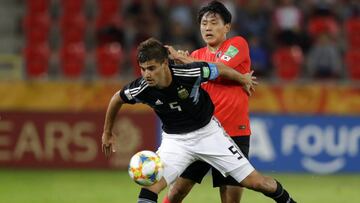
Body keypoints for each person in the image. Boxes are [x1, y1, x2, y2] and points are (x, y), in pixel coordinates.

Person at [101, 38, 296, 203]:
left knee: (257, 182)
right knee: (153, 186)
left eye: (151, 68)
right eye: (143, 69)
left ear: (165, 64)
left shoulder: (190, 73)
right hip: (175, 141)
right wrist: (107, 132)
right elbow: (117, 98)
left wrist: (242, 78)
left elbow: (219, 69)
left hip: (208, 134)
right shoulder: (142, 87)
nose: (146, 74)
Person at [163, 1, 254, 203]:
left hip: (233, 132)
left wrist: (185, 61)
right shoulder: (196, 55)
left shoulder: (237, 44)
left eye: (213, 23)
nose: (207, 28)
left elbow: (219, 68)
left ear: (227, 27)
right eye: (204, 23)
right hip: (202, 132)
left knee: (230, 199)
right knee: (177, 190)